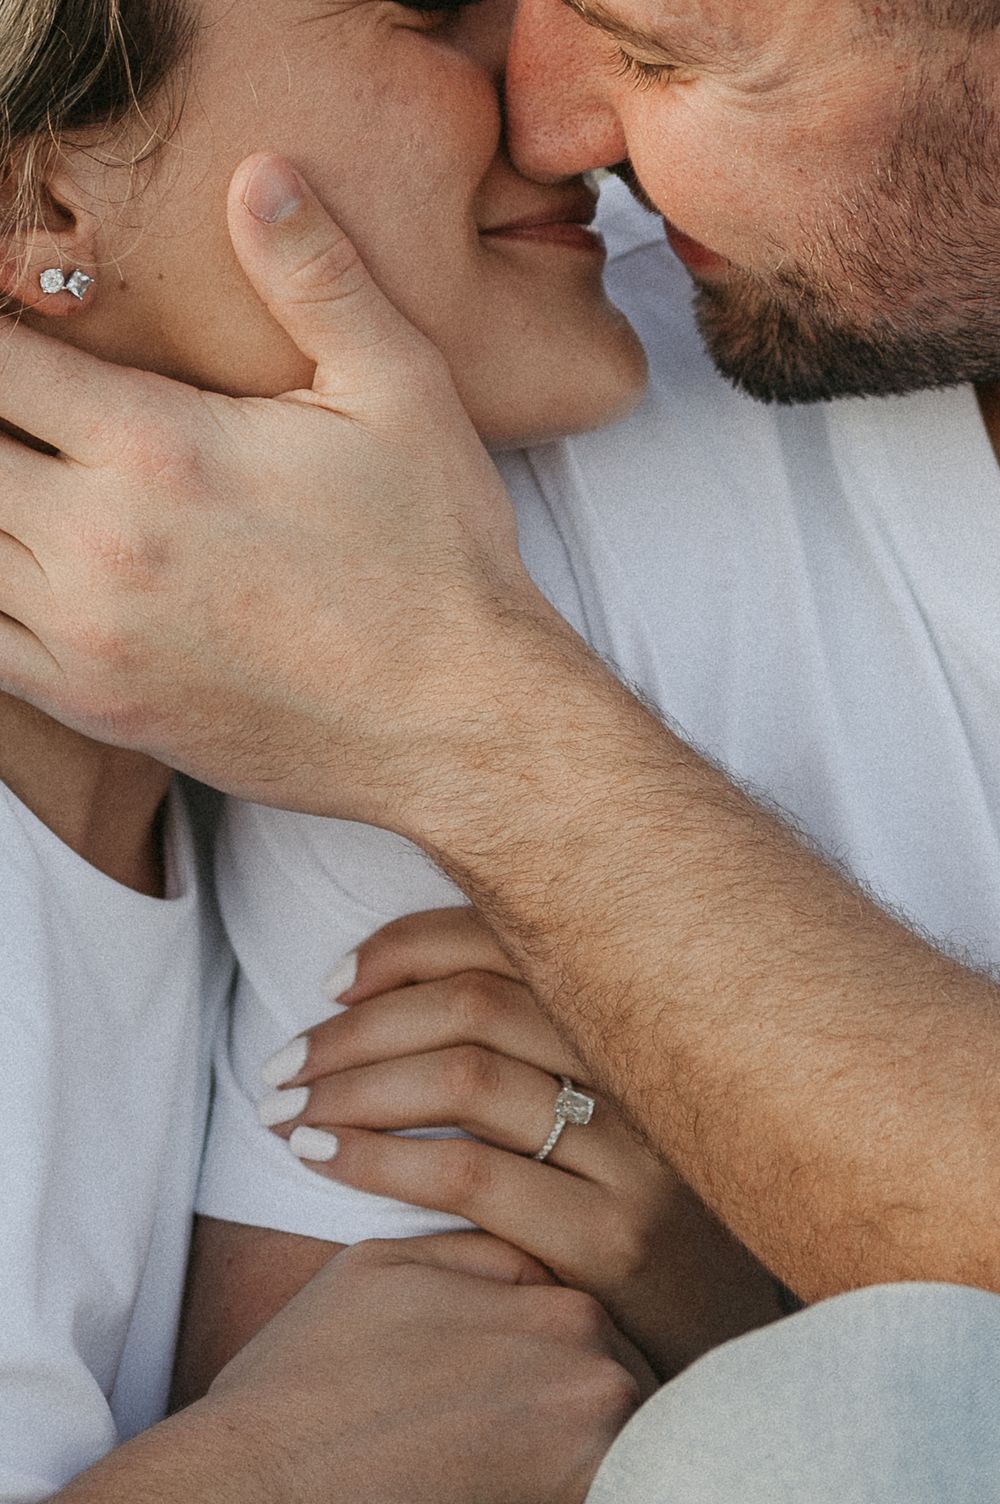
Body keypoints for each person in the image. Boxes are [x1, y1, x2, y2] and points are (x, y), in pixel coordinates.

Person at [6, 0, 1000, 1497]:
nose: (550, 128)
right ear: (37, 207)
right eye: (433, 9)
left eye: (659, 46)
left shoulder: (350, 642)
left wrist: (750, 1291)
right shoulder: (458, 565)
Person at [0, 0, 675, 1496]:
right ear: (40, 205)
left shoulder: (201, 806)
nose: (562, 98)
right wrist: (267, 1476)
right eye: (431, 10)